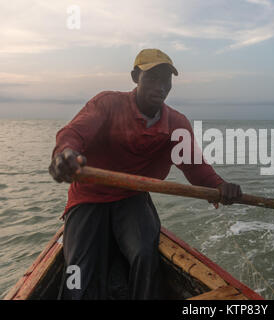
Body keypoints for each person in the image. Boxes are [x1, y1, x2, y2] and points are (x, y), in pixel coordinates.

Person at [48, 49, 242, 299]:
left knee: (143, 254)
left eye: (166, 80)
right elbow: (73, 135)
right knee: (77, 268)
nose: (160, 87)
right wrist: (65, 154)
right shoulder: (107, 103)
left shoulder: (176, 123)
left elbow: (194, 166)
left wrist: (220, 186)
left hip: (132, 197)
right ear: (134, 77)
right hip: (88, 197)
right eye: (152, 78)